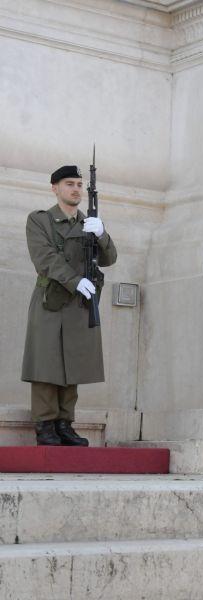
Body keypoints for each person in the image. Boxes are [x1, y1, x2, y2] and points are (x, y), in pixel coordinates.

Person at [21, 165, 117, 446]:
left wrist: (102, 234)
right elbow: (45, 258)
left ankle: (65, 424)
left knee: (73, 363)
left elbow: (109, 258)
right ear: (55, 188)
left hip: (79, 303)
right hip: (52, 299)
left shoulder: (89, 223)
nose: (75, 189)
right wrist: (75, 281)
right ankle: (45, 425)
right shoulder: (40, 220)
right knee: (46, 364)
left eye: (78, 184)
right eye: (68, 184)